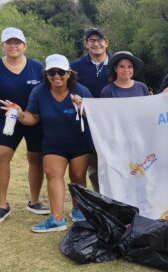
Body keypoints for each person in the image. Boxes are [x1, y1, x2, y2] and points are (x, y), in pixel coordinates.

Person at [0, 54, 93, 232]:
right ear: (46, 74)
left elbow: (95, 117)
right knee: (52, 174)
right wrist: (19, 113)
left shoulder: (81, 91)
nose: (56, 76)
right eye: (52, 72)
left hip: (80, 142)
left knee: (78, 177)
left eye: (61, 72)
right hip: (53, 144)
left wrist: (83, 108)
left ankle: (79, 210)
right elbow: (32, 118)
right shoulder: (39, 92)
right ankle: (57, 219)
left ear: (69, 73)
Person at [0, 27, 48, 223]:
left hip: (34, 117)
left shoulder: (38, 67)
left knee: (36, 157)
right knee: (0, 155)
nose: (13, 46)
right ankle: (1, 205)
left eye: (18, 42)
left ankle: (35, 201)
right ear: (2, 45)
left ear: (24, 45)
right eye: (9, 42)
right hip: (6, 119)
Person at [71, 28, 111, 193]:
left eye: (99, 40)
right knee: (93, 166)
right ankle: (100, 200)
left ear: (106, 43)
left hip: (112, 121)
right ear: (86, 44)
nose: (96, 44)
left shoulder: (117, 64)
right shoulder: (75, 67)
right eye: (92, 40)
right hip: (86, 121)